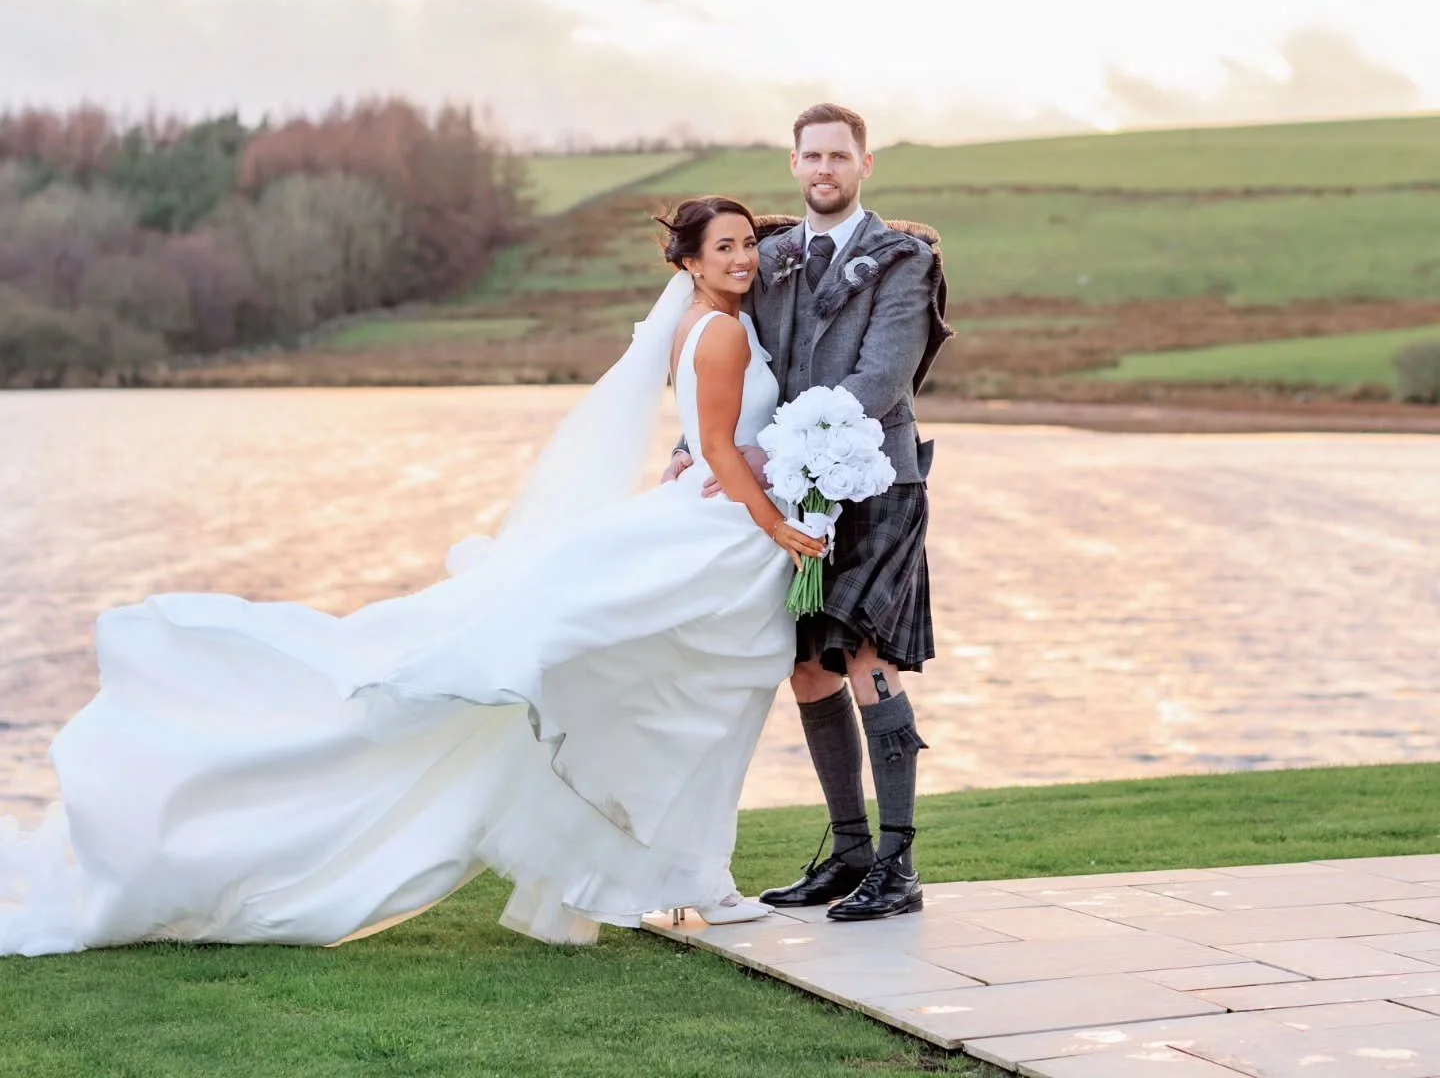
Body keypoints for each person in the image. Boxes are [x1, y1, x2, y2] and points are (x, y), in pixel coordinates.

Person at [0, 197, 824, 957]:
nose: (743, 258)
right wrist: (781, 523)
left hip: (716, 527)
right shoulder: (717, 334)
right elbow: (716, 448)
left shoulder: (710, 322)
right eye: (724, 247)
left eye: (750, 243)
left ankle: (685, 877)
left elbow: (712, 445)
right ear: (688, 262)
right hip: (724, 534)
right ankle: (697, 881)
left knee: (690, 695)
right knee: (699, 696)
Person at [666, 103, 950, 921]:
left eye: (839, 156)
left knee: (865, 657)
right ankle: (849, 855)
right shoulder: (773, 256)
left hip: (878, 480)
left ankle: (897, 869)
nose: (824, 170)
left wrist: (769, 450)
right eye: (811, 157)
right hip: (790, 497)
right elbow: (733, 365)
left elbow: (881, 377)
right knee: (807, 668)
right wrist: (702, 446)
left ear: (865, 165)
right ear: (794, 166)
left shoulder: (904, 259)